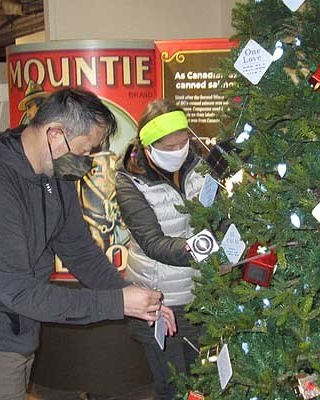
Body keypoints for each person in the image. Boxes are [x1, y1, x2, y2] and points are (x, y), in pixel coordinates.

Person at [0, 89, 176, 400]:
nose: (88, 163)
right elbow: (20, 292)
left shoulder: (55, 174)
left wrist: (134, 298)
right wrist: (118, 303)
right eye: (84, 151)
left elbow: (79, 251)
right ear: (54, 135)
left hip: (15, 329)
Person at [115, 100, 205, 400]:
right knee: (171, 385)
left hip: (198, 294)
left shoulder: (196, 163)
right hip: (158, 299)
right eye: (169, 146)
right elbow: (153, 242)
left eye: (184, 141)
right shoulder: (129, 180)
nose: (179, 150)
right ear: (149, 146)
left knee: (201, 380)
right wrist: (206, 249)